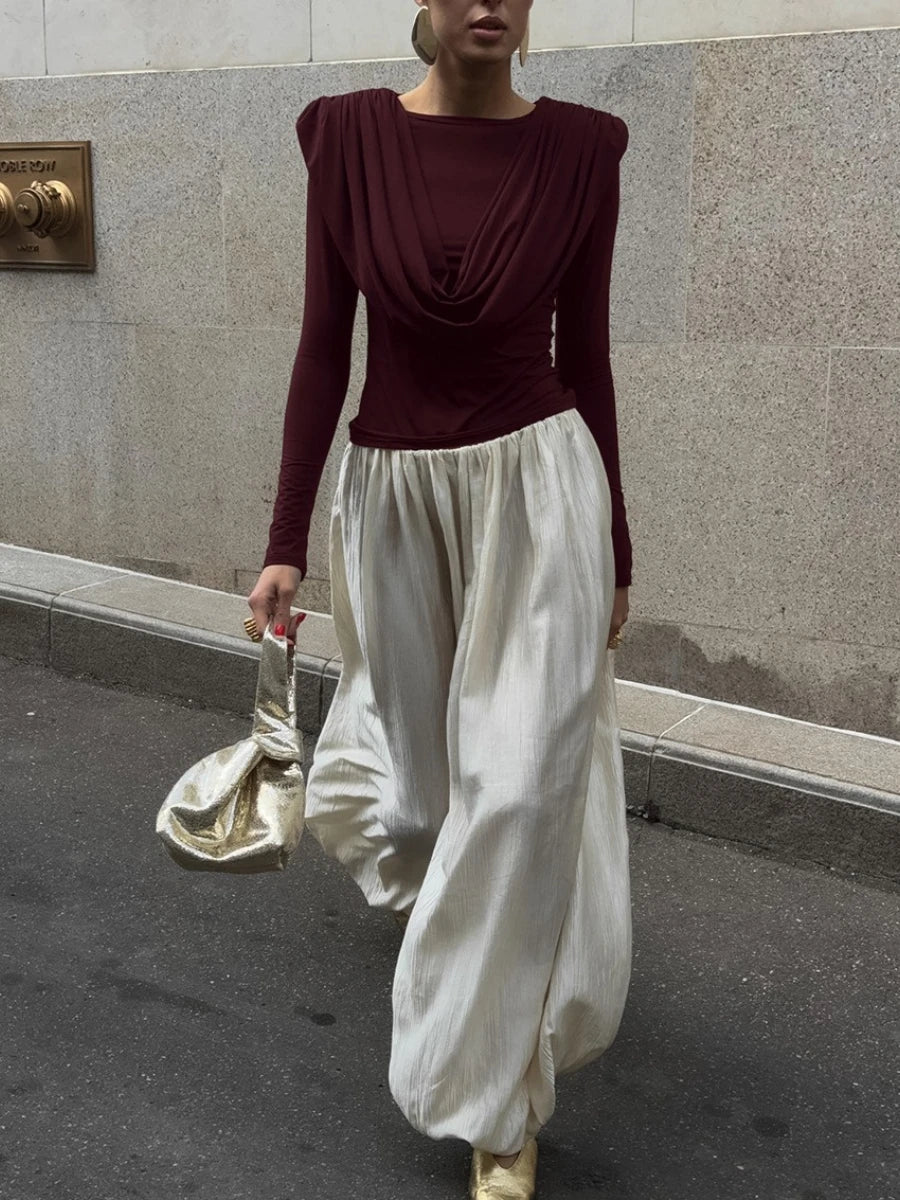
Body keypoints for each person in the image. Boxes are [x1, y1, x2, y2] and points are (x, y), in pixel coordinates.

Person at [245, 2, 633, 1195]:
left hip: (539, 493)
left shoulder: (584, 148)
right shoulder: (346, 138)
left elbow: (590, 352)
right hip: (398, 500)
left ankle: (495, 1103)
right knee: (421, 798)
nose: (491, 2)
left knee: (519, 785)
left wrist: (615, 536)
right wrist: (285, 541)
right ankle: (454, 912)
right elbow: (324, 345)